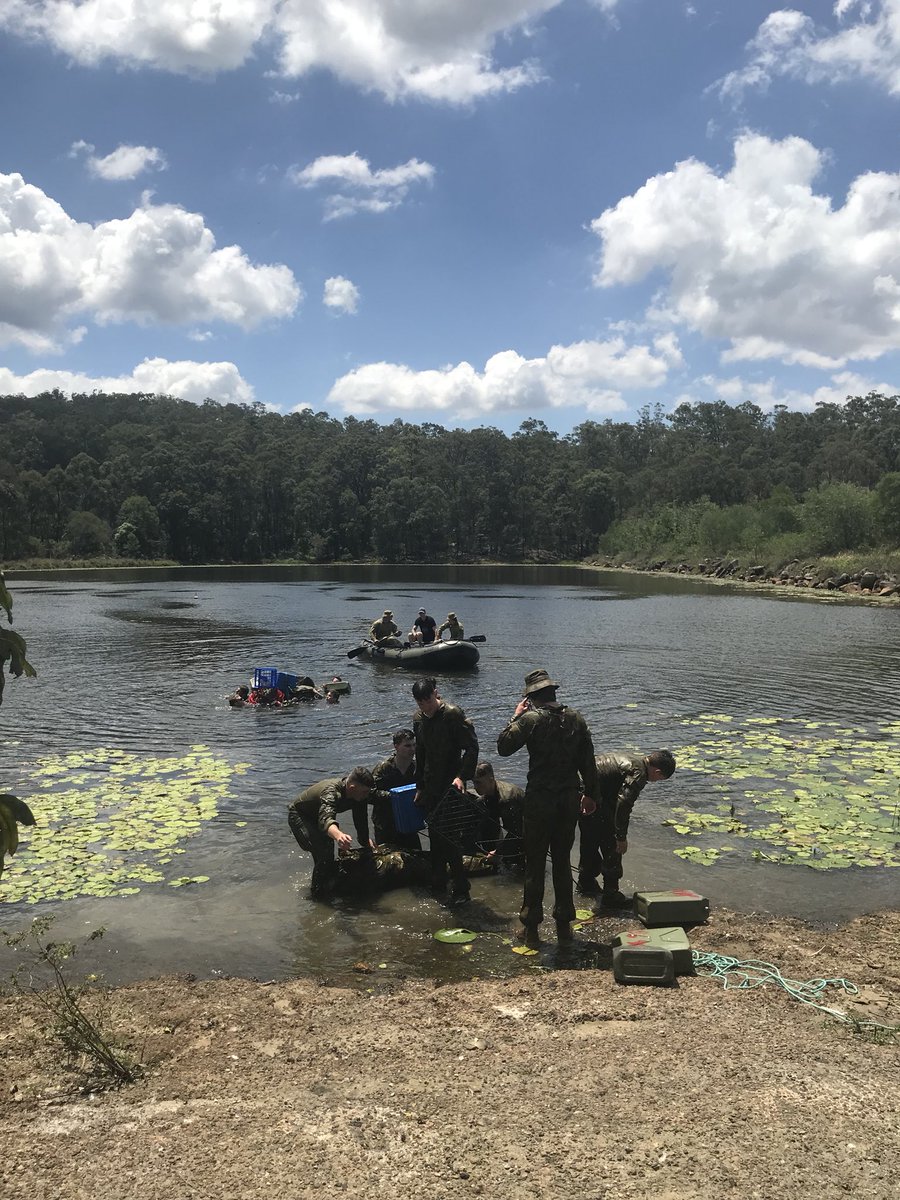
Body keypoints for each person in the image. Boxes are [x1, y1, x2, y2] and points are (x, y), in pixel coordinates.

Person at [496, 668, 598, 948]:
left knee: (535, 863)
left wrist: (515, 715)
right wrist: (590, 795)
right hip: (568, 800)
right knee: (563, 861)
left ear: (531, 698)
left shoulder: (530, 719)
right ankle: (564, 926)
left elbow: (503, 747)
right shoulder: (576, 719)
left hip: (540, 800)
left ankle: (531, 929)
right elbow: (588, 762)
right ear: (553, 692)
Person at [578, 750, 677, 906]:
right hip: (592, 796)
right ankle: (611, 894)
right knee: (613, 847)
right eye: (658, 779)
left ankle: (586, 883)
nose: (655, 781)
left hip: (582, 791)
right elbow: (624, 804)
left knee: (589, 841)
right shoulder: (639, 773)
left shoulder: (633, 759)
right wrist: (621, 837)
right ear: (657, 771)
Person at [412, 676, 479, 906]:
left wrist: (462, 777)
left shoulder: (452, 714)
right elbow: (420, 755)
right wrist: (419, 785)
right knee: (434, 835)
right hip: (431, 785)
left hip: (452, 784)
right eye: (421, 703)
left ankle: (462, 887)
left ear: (436, 694)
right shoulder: (419, 720)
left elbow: (471, 747)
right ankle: (438, 882)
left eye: (428, 700)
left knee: (450, 837)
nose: (426, 706)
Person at [287, 768, 376, 898]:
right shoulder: (331, 792)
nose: (366, 795)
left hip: (318, 817)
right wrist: (339, 835)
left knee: (327, 851)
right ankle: (318, 896)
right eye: (364, 792)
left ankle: (326, 884)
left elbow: (361, 822)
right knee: (324, 852)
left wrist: (366, 842)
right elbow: (326, 820)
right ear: (352, 787)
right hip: (300, 816)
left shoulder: (359, 796)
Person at [370, 729, 421, 850]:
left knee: (417, 856)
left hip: (408, 820)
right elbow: (369, 794)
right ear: (396, 747)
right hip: (385, 822)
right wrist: (394, 796)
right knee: (388, 860)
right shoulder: (383, 768)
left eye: (414, 745)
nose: (412, 749)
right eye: (407, 746)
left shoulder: (416, 768)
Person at [471, 761, 524, 865]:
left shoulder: (507, 798)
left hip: (529, 825)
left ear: (491, 780)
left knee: (515, 861)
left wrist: (498, 852)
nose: (475, 787)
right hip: (513, 825)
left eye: (478, 783)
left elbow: (516, 832)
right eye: (474, 783)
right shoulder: (487, 794)